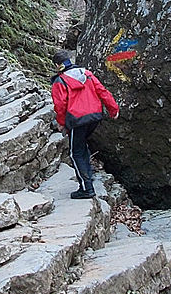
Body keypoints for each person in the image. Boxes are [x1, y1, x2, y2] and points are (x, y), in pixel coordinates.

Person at [50, 49, 119, 199]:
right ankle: (88, 175)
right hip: (94, 116)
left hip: (77, 120)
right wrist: (113, 109)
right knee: (82, 146)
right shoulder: (86, 74)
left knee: (75, 153)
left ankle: (86, 188)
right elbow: (102, 91)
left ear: (57, 65)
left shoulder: (59, 81)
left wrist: (61, 123)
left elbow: (60, 106)